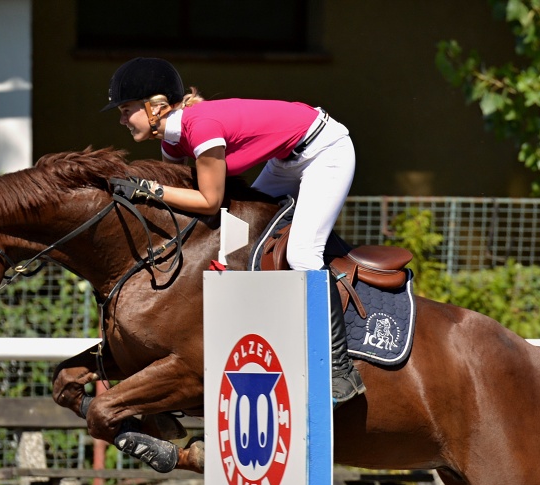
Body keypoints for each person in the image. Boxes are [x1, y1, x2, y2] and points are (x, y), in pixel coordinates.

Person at [102, 57, 365, 406]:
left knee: (303, 253)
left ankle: (340, 369)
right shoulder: (171, 141)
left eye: (126, 110)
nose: (122, 119)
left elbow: (209, 201)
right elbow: (186, 203)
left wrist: (149, 189)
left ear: (156, 107)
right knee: (237, 235)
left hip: (325, 150)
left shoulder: (201, 128)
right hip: (285, 160)